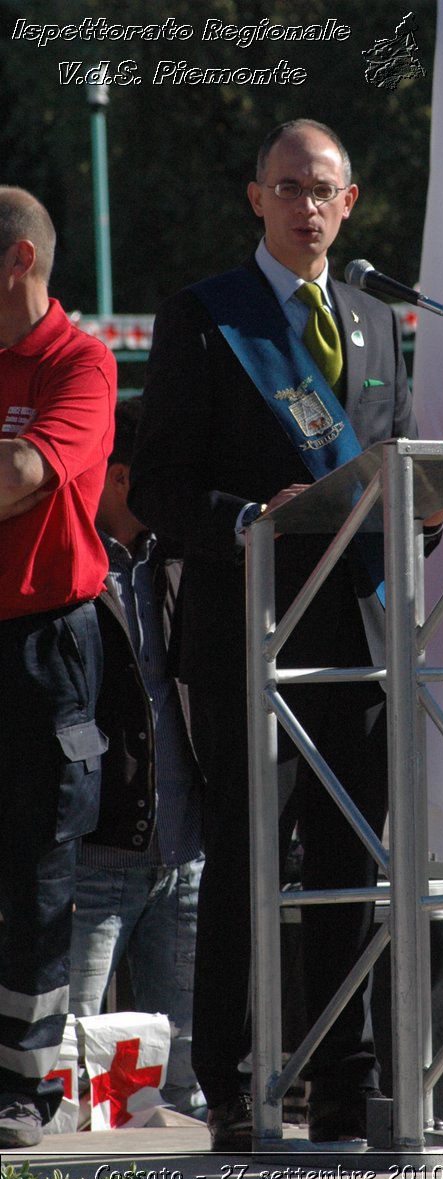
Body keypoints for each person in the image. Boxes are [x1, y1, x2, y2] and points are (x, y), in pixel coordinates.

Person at [129, 119, 443, 1150]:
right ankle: (233, 1084)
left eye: (325, 190)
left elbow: (381, 468)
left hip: (355, 631)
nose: (307, 206)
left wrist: (421, 512)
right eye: (289, 187)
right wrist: (243, 522)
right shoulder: (206, 318)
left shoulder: (375, 322)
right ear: (256, 198)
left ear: (351, 204)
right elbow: (160, 489)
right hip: (245, 633)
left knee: (354, 858)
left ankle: (345, 1083)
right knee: (248, 859)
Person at [0, 187, 115, 1147]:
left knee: (38, 867)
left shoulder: (82, 362)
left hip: (45, 646)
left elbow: (21, 477)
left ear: (17, 264)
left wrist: (15, 470)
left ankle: (22, 1089)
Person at [69, 398, 206, 1119]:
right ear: (122, 480)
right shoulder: (71, 569)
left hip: (183, 854)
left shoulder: (184, 562)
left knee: (180, 1077)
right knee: (67, 1057)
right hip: (95, 859)